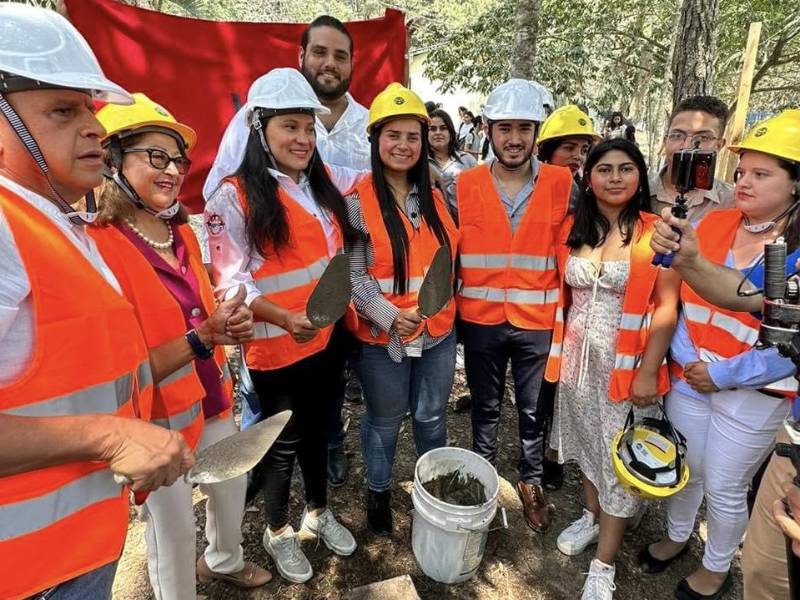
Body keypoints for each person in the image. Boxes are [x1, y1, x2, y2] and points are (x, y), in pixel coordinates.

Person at [0, 5, 192, 599]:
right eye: (63, 110)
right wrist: (111, 438)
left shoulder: (57, 222)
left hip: (73, 552)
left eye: (88, 107)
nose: (94, 127)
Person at [89, 94, 270, 598]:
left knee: (231, 488)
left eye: (177, 160)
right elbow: (119, 364)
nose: (172, 170)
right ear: (112, 159)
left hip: (209, 396)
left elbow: (204, 311)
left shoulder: (180, 232)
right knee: (171, 529)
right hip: (155, 417)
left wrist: (227, 325)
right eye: (156, 157)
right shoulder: (102, 245)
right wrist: (203, 335)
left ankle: (224, 560)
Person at [203, 67, 359, 584]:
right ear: (260, 129)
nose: (303, 139)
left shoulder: (319, 185)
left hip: (325, 338)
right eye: (290, 126)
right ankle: (278, 529)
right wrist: (281, 316)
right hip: (277, 347)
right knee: (280, 444)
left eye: (309, 128)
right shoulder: (233, 195)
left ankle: (317, 511)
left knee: (319, 429)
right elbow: (230, 279)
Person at [646, 110, 800, 600]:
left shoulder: (794, 250)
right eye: (741, 172)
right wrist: (693, 363)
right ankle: (676, 535)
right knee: (685, 464)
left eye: (761, 174)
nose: (744, 182)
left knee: (726, 486)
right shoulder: (714, 221)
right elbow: (686, 296)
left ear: (795, 184)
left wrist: (725, 373)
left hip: (753, 389)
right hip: (694, 371)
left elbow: (788, 344)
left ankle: (715, 568)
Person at [545, 139, 679, 599]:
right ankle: (589, 515)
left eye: (626, 168)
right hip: (576, 365)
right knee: (585, 443)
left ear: (641, 176)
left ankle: (603, 565)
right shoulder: (571, 228)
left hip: (624, 370)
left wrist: (648, 370)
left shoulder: (656, 231)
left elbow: (667, 307)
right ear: (589, 177)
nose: (615, 177)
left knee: (619, 459)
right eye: (605, 169)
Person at [454, 78, 573, 533]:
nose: (514, 138)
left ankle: (531, 481)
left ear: (537, 132)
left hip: (538, 321)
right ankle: (482, 475)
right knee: (485, 405)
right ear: (487, 128)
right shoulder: (462, 185)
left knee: (532, 409)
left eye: (524, 127)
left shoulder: (563, 183)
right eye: (505, 128)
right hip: (480, 318)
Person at [347, 83, 459, 536]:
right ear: (376, 140)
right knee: (384, 420)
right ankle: (379, 490)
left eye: (413, 135)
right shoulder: (357, 202)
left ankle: (431, 489)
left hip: (438, 334)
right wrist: (390, 315)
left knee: (432, 418)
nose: (404, 145)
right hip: (383, 339)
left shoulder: (437, 196)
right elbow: (354, 276)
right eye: (393, 135)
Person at [300, 15, 368, 483]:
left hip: (351, 275)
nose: (329, 63)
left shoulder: (372, 126)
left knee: (333, 373)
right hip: (281, 280)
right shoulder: (258, 118)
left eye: (339, 55)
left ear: (351, 63)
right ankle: (266, 461)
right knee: (266, 381)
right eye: (319, 52)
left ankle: (330, 443)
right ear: (300, 57)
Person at [650, 96, 734, 224]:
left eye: (703, 137)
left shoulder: (731, 202)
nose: (687, 146)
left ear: (718, 146)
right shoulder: (638, 192)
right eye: (677, 135)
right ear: (665, 141)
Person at [427, 108, 477, 210]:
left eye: (443, 128)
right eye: (432, 129)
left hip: (468, 223)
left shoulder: (468, 161)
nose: (438, 132)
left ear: (451, 132)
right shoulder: (419, 165)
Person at [537, 104, 601, 181]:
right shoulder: (528, 187)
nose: (578, 157)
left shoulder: (579, 189)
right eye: (569, 148)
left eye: (584, 151)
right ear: (548, 151)